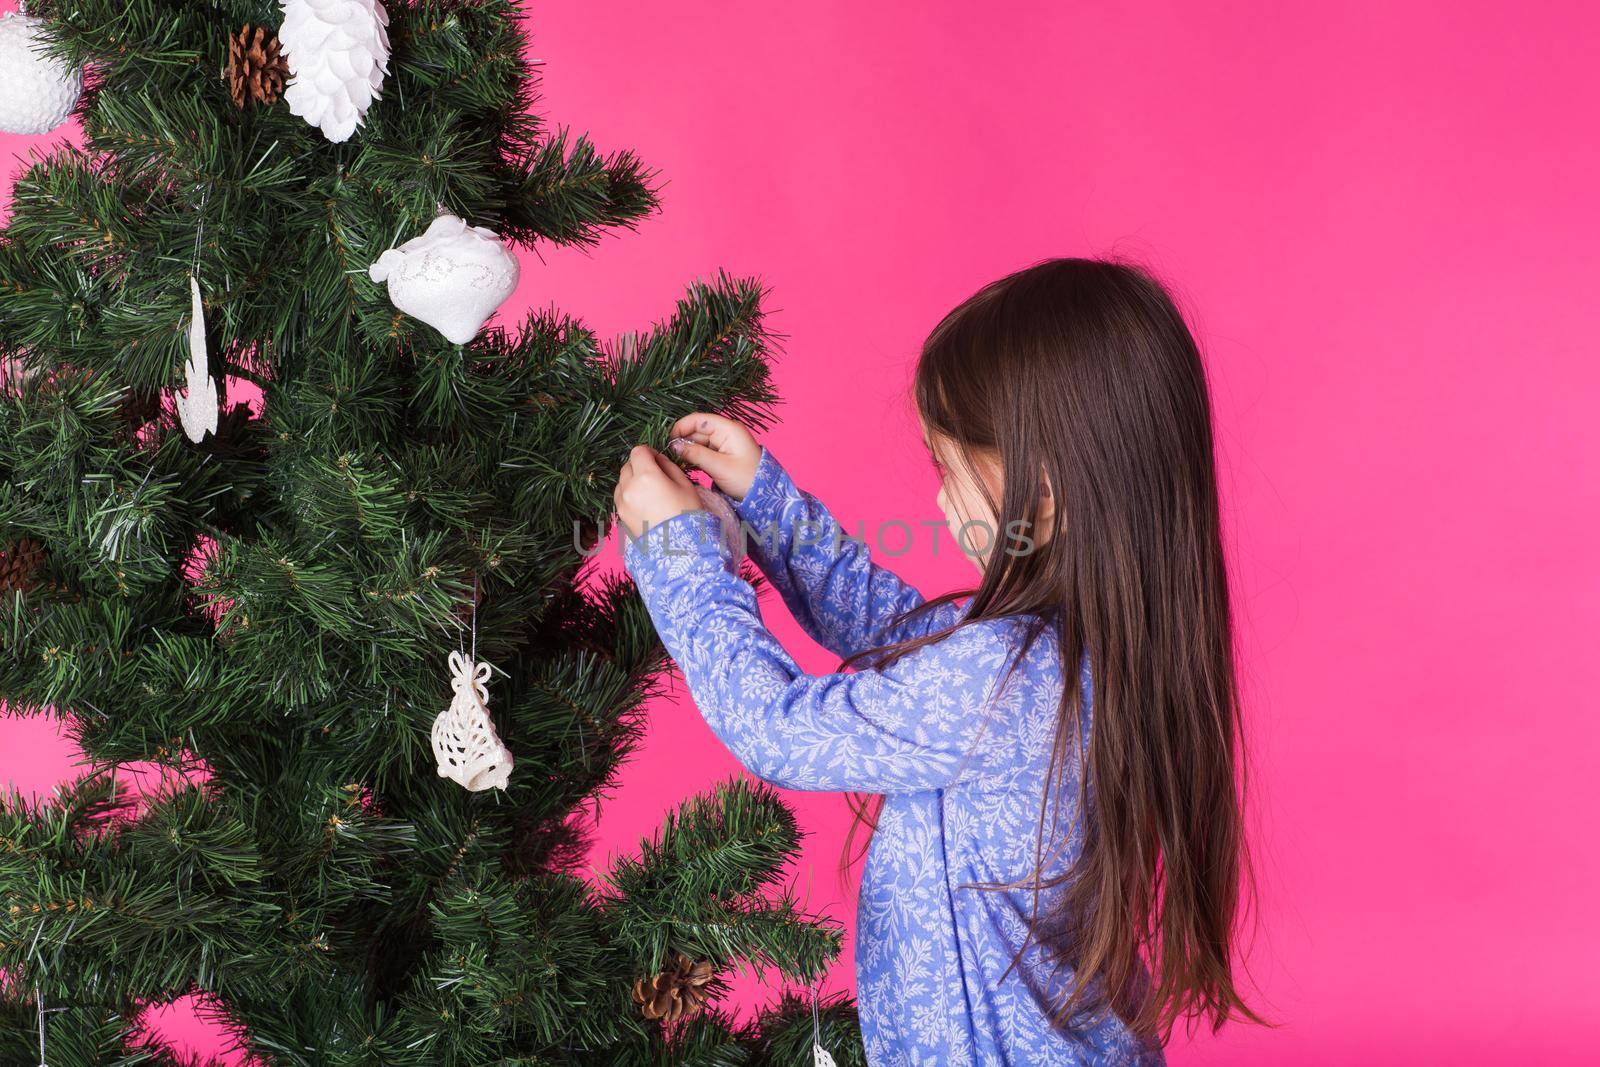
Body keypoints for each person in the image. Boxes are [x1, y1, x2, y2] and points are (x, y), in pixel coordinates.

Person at [613, 257, 1261, 1065]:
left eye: (950, 469)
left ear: (1048, 492)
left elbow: (775, 728)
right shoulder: (1076, 638)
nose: (938, 498)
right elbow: (899, 631)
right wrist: (765, 504)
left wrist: (678, 556)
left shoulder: (1001, 674)